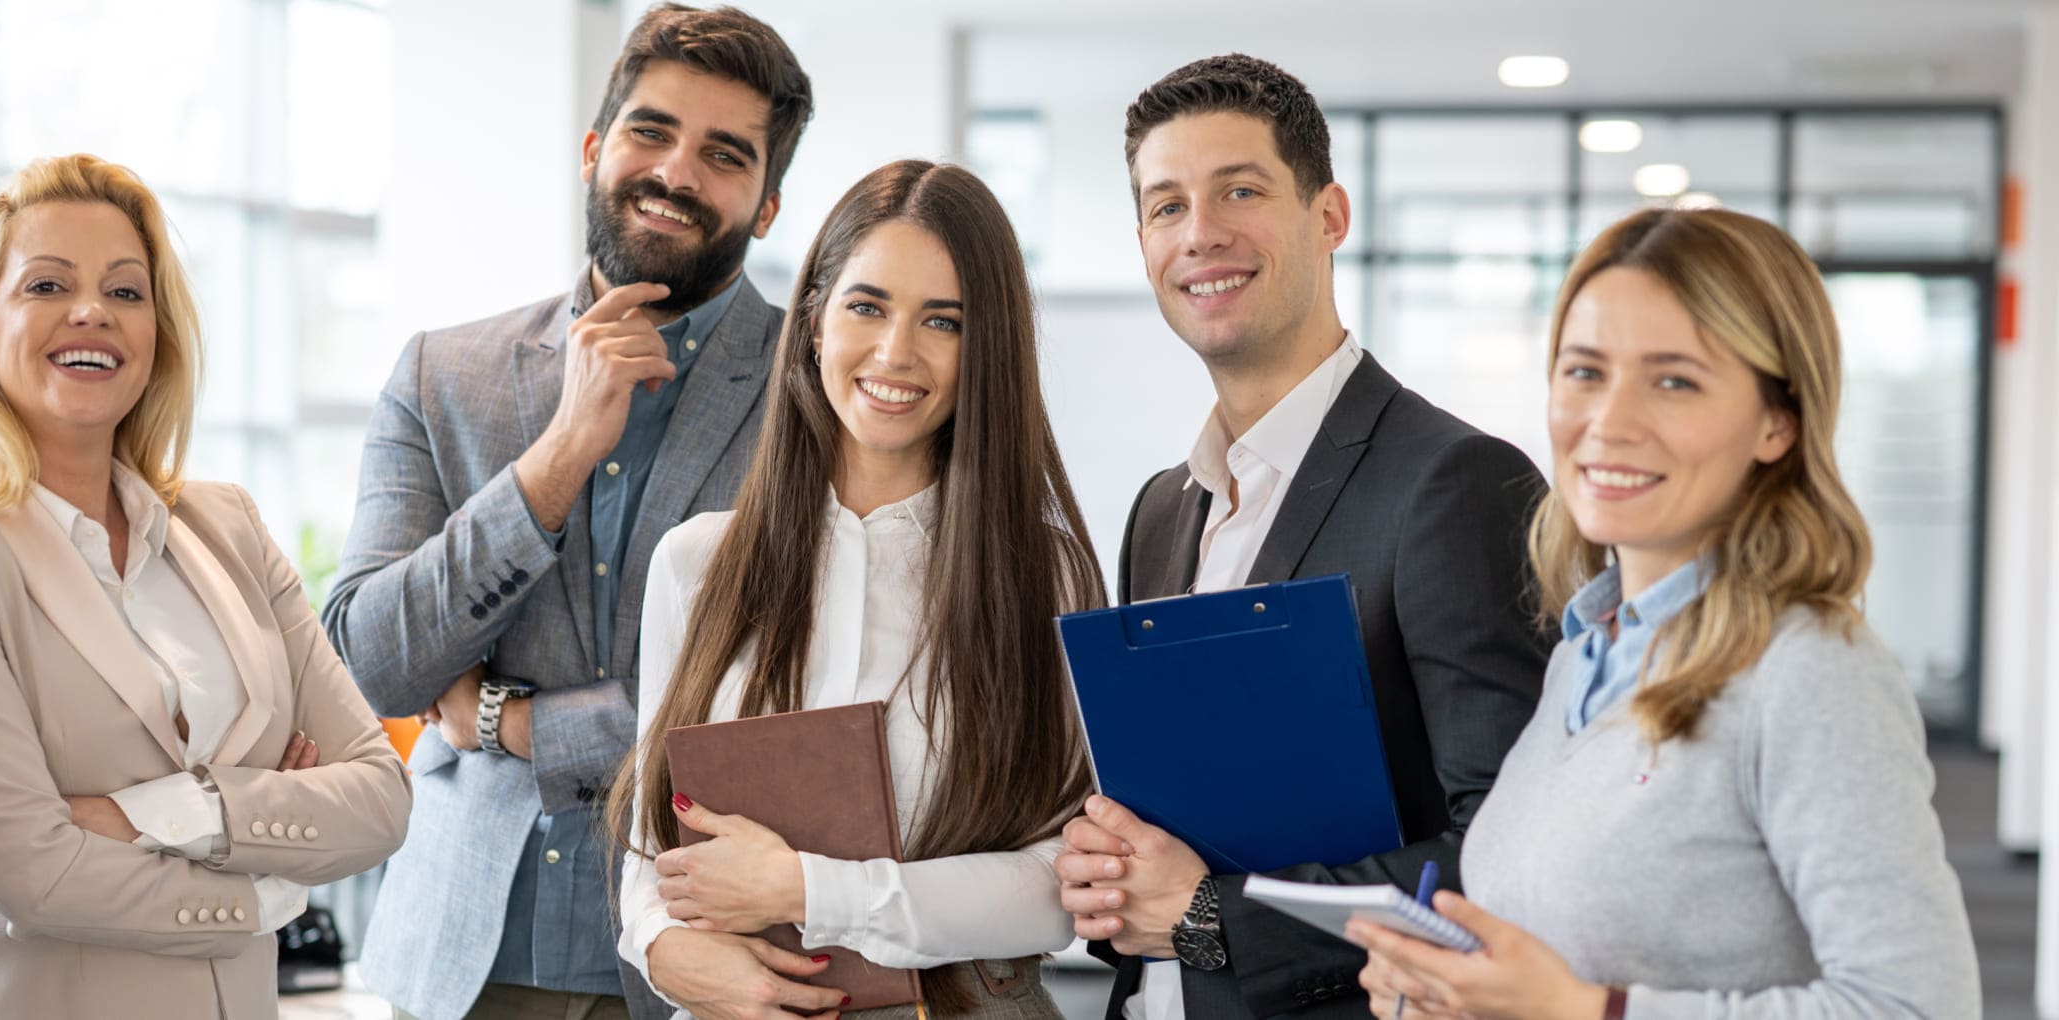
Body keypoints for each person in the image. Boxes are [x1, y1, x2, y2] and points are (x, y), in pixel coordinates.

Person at [1345, 207, 1981, 1020]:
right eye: (1584, 372)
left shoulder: (1810, 669)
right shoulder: (1588, 650)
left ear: (1777, 421)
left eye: (1674, 380)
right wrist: (1455, 989)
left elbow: (1917, 1006)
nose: (1610, 423)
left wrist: (1588, 1012)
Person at [315, 6, 814, 1018]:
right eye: (651, 132)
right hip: (466, 958)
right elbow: (365, 662)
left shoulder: (819, 399)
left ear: (765, 207)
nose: (675, 172)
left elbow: (795, 705)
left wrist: (511, 721)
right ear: (594, 150)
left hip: (707, 961)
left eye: (724, 155)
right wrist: (556, 461)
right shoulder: (442, 375)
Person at [1051, 54, 1552, 1020]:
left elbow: (1509, 853)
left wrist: (1209, 916)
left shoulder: (1455, 483)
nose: (1200, 235)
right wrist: (1106, 867)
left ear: (1329, 216)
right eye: (1166, 206)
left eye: (1240, 190)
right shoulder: (1163, 509)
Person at [0, 154, 412, 1019]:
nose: (91, 312)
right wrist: (263, 888)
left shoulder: (226, 524)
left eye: (126, 292)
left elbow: (380, 799)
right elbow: (33, 873)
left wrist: (161, 811)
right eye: (46, 285)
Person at [612, 160, 1103, 1020]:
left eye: (942, 322)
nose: (894, 353)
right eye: (867, 307)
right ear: (812, 322)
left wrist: (809, 890)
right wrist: (661, 949)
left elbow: (1062, 883)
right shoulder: (696, 563)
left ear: (985, 349)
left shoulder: (1044, 577)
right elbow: (657, 847)